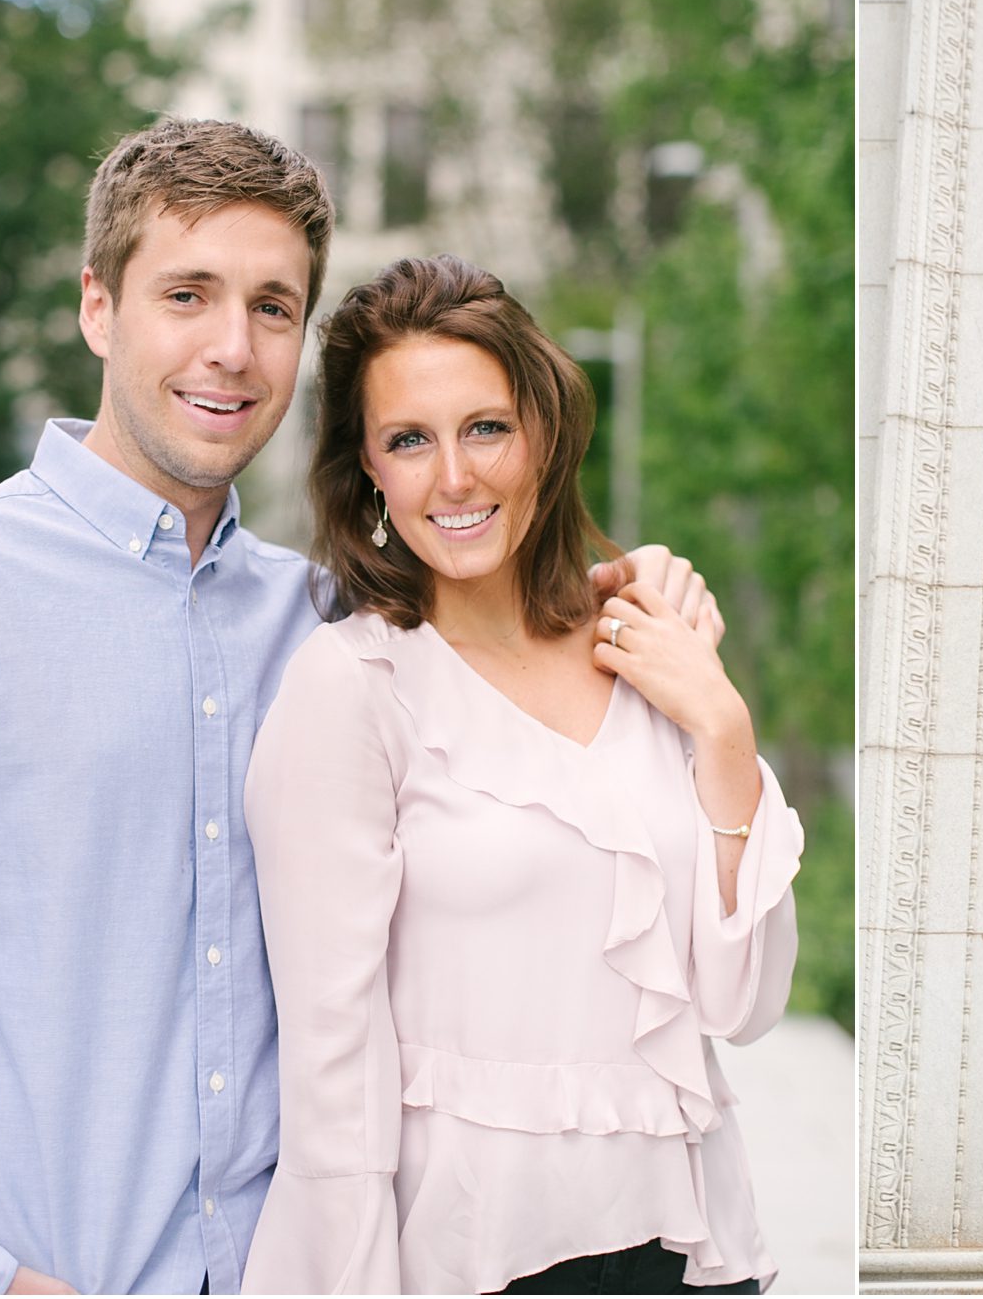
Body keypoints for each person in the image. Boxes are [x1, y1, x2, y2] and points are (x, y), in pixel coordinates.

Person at [0, 118, 714, 1296]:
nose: (232, 348)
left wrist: (639, 589)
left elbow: (509, 633)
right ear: (98, 309)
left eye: (272, 307)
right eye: (188, 294)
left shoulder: (330, 627)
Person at [238, 255, 801, 1295]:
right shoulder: (353, 689)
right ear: (367, 471)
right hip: (476, 1261)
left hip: (692, 1253)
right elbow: (331, 1070)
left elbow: (742, 1003)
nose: (453, 477)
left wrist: (721, 726)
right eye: (409, 440)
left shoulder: (643, 648)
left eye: (485, 427)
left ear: (542, 434)